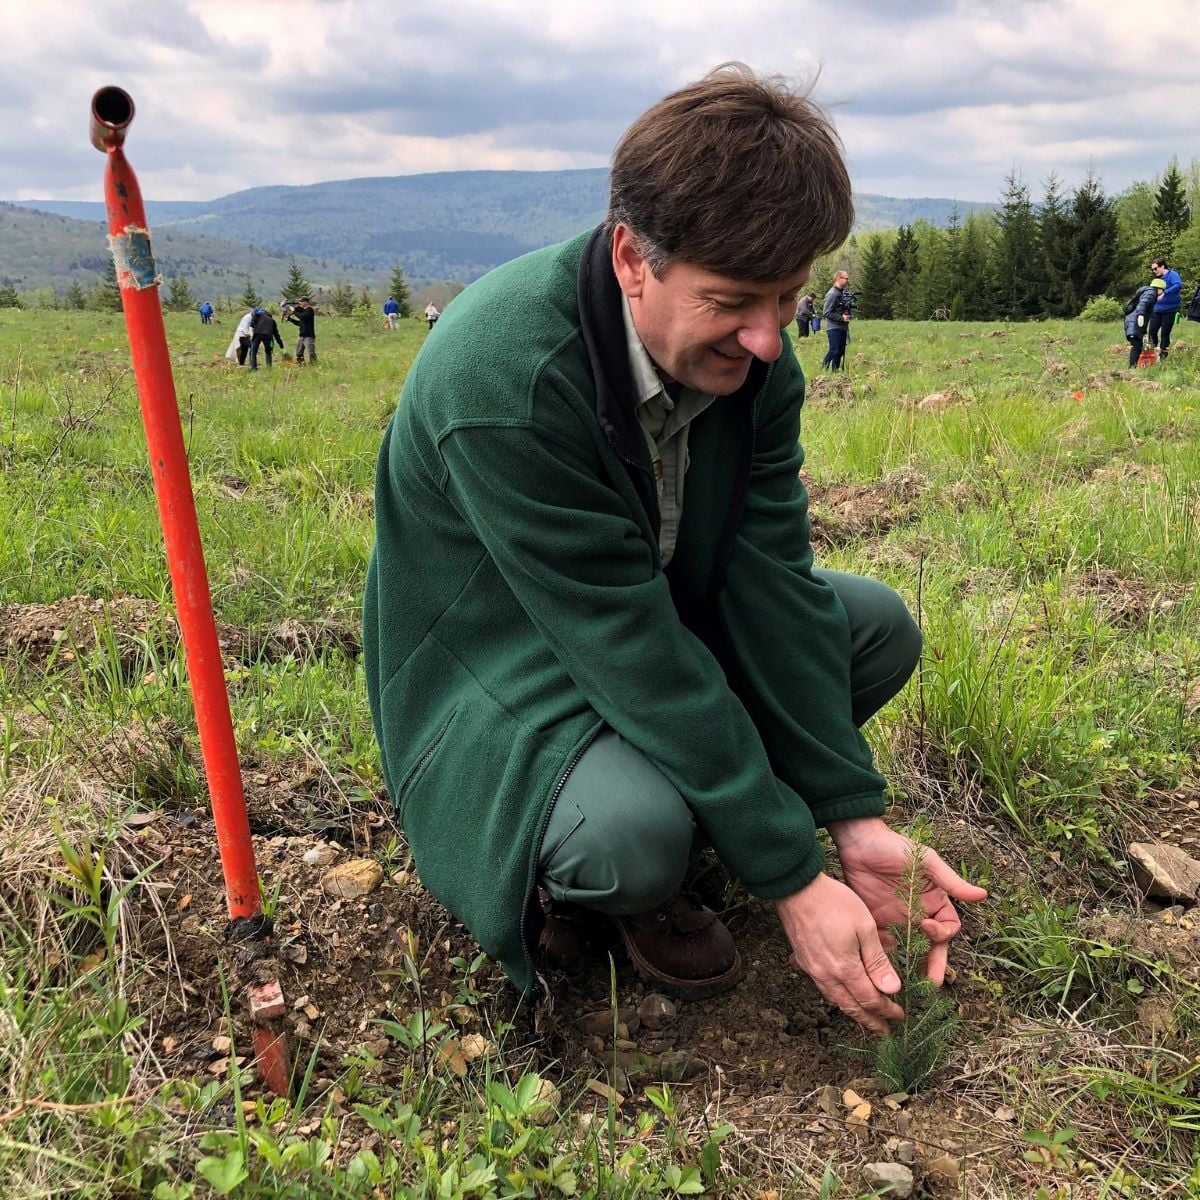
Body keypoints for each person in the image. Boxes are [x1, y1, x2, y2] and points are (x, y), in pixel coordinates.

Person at [364, 64, 986, 1034]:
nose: (770, 338)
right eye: (735, 299)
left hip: (644, 619)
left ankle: (699, 798)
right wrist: (790, 872)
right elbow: (625, 644)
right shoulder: (506, 380)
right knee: (633, 832)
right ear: (629, 259)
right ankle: (597, 888)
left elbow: (770, 575)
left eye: (788, 298)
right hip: (500, 666)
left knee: (870, 628)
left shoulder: (754, 359)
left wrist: (851, 819)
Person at [1124, 277, 1163, 368]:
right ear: (1159, 288)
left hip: (1132, 322)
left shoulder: (1146, 291)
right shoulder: (1151, 292)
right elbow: (1143, 303)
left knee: (1138, 345)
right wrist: (1141, 314)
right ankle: (1131, 368)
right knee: (1137, 346)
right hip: (1134, 322)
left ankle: (1134, 366)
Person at [1148, 258, 1182, 361]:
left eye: (1155, 268)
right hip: (1157, 309)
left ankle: (1163, 356)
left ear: (1162, 266)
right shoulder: (1157, 279)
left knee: (1164, 334)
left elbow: (1178, 285)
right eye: (1152, 270)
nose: (1154, 271)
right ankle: (1152, 353)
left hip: (1170, 310)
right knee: (1152, 332)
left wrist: (1165, 293)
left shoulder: (1172, 275)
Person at [821, 270, 853, 370]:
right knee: (834, 350)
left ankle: (835, 370)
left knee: (840, 351)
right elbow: (826, 312)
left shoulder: (843, 292)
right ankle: (823, 368)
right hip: (834, 328)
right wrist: (841, 318)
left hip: (843, 327)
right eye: (846, 278)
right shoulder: (832, 294)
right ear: (839, 278)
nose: (847, 280)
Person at [286, 296, 318, 364]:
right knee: (298, 353)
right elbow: (300, 323)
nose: (300, 303)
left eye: (301, 301)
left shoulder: (309, 310)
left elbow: (302, 317)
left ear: (306, 302)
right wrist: (290, 319)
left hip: (309, 336)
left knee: (311, 353)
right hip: (301, 336)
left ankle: (314, 365)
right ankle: (301, 365)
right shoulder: (303, 311)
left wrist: (293, 311)